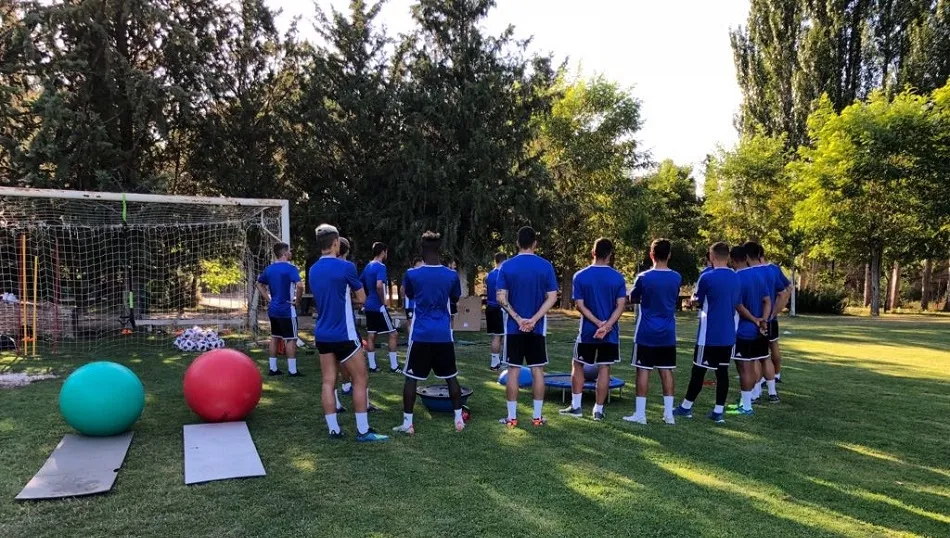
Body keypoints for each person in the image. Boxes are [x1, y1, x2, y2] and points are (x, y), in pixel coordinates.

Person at [308, 224, 388, 442]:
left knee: (328, 381)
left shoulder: (313, 269)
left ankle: (334, 429)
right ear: (335, 243)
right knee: (360, 378)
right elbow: (362, 298)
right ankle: (363, 431)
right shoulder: (347, 268)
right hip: (344, 334)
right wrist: (349, 299)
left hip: (322, 334)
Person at [393, 232, 464, 435]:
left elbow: (410, 295)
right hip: (443, 333)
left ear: (422, 251)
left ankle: (408, 423)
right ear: (439, 250)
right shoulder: (451, 275)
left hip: (421, 333)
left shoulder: (412, 274)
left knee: (411, 379)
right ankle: (458, 420)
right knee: (451, 378)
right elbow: (455, 298)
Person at [496, 226, 559, 428]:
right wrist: (533, 320)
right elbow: (552, 298)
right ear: (535, 243)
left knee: (513, 370)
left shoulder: (506, 266)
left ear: (517, 243)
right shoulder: (545, 266)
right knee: (537, 371)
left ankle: (512, 418)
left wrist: (519, 319)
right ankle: (537, 417)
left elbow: (501, 298)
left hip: (515, 329)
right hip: (536, 329)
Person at [672, 242, 741, 423]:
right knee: (722, 372)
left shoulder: (707, 277)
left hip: (708, 334)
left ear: (711, 256)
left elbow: (697, 299)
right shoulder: (735, 277)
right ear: (728, 257)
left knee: (698, 371)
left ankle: (686, 407)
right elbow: (735, 302)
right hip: (727, 333)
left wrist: (692, 301)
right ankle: (718, 411)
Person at [559, 238, 627, 421]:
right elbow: (621, 306)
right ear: (610, 255)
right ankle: (598, 409)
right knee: (604, 367)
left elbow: (579, 305)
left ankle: (576, 406)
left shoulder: (580, 276)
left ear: (593, 252)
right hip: (609, 332)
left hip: (588, 331)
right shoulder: (618, 277)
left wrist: (598, 324)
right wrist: (607, 326)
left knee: (578, 364)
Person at [625, 239, 682, 425]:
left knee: (643, 370)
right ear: (670, 255)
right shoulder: (676, 277)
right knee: (666, 371)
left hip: (646, 332)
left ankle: (640, 414)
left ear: (651, 254)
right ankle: (668, 414)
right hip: (667, 332)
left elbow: (633, 298)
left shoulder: (644, 277)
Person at [730, 245, 771, 416]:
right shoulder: (757, 275)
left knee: (744, 368)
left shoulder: (736, 278)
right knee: (753, 363)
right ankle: (746, 401)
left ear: (732, 260)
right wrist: (764, 320)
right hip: (759, 330)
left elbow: (738, 305)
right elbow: (767, 300)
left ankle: (746, 406)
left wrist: (754, 320)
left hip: (743, 330)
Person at [256, 242, 304, 377]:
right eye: (289, 250)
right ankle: (292, 370)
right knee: (291, 339)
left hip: (273, 309)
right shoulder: (291, 268)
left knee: (275, 337)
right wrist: (298, 301)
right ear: (284, 253)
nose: (291, 252)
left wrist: (268, 299)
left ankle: (273, 368)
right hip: (287, 309)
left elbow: (259, 284)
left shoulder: (269, 268)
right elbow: (300, 285)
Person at [743, 241, 781, 404]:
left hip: (753, 320)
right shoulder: (772, 270)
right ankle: (772, 392)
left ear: (745, 257)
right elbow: (785, 292)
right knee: (765, 356)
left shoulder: (748, 274)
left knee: (754, 359)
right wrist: (772, 314)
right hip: (767, 319)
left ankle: (755, 393)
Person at [360, 242, 402, 374]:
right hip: (378, 306)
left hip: (369, 305)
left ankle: (372, 366)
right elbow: (379, 285)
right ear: (383, 252)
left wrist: (364, 299)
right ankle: (394, 366)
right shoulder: (381, 267)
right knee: (393, 334)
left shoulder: (368, 266)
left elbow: (359, 283)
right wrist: (383, 301)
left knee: (371, 335)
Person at [760, 247, 792, 384]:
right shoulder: (774, 269)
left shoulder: (768, 270)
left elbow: (786, 291)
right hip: (770, 316)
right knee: (772, 345)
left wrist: (774, 311)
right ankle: (776, 374)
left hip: (763, 316)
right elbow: (788, 288)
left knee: (764, 349)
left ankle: (768, 377)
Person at [485, 252, 508, 370]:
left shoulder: (489, 275)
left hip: (490, 307)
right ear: (503, 262)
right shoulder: (501, 275)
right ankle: (496, 362)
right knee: (498, 336)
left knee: (497, 335)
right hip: (499, 308)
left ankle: (497, 359)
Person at [404, 257, 424, 332]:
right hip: (410, 302)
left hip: (419, 301)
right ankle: (411, 341)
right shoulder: (410, 273)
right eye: (422, 263)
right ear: (418, 264)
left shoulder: (422, 273)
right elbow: (403, 288)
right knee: (410, 321)